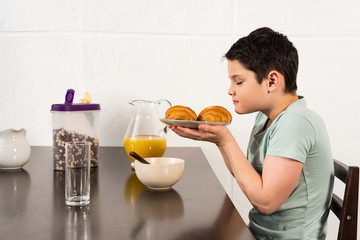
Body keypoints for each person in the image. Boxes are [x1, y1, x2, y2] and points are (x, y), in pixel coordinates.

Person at [170, 27, 334, 239]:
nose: (230, 90)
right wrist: (218, 141)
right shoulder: (266, 117)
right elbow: (250, 176)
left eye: (238, 82)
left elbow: (265, 202)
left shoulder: (295, 123)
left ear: (272, 81)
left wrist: (227, 141)